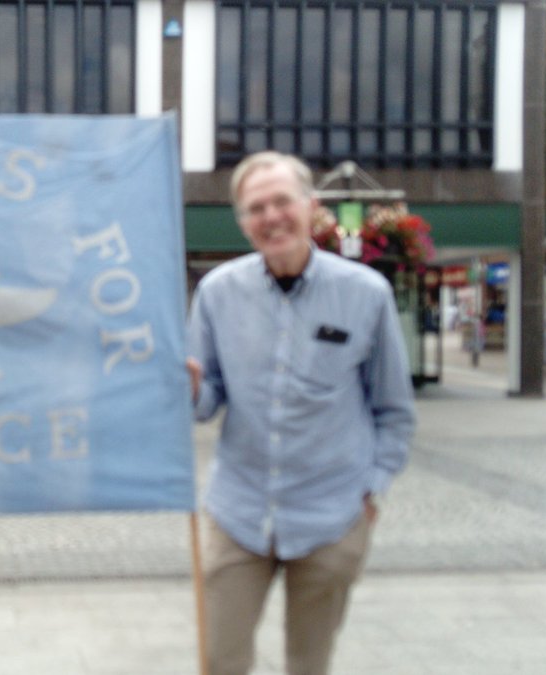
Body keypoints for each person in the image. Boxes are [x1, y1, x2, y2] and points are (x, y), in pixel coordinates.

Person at [186, 151, 416, 674]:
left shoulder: (366, 295)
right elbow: (205, 403)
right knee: (218, 660)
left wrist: (370, 489)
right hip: (237, 512)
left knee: (309, 664)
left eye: (281, 201)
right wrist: (188, 391)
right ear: (243, 223)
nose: (271, 217)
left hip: (332, 516)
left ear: (310, 206)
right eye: (255, 208)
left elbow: (393, 409)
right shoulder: (218, 294)